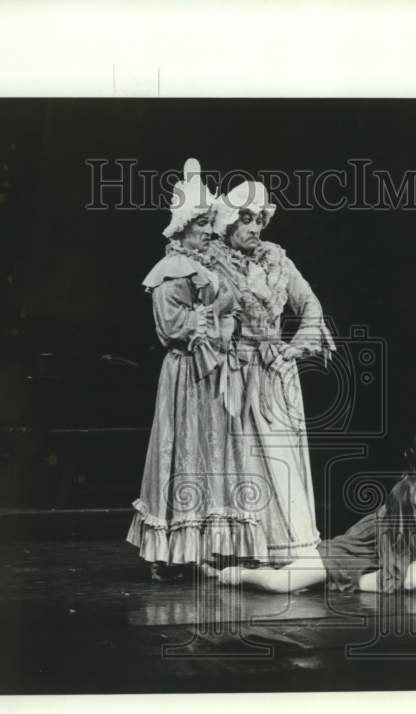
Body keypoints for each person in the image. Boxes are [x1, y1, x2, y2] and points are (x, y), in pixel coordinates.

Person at [126, 159, 270, 573]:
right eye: (203, 224)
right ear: (183, 228)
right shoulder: (173, 270)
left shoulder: (204, 266)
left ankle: (201, 549)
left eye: (210, 223)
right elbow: (172, 327)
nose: (210, 231)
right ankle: (172, 553)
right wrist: (214, 319)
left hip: (212, 371)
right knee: (184, 451)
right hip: (188, 372)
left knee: (211, 452)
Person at [218, 417, 416, 597]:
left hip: (413, 547)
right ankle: (237, 574)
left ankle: (334, 582)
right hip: (372, 542)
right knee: (280, 584)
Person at [204, 180, 336, 566]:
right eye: (246, 219)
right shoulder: (210, 262)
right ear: (228, 222)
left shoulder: (277, 260)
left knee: (280, 462)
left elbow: (310, 304)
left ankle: (283, 546)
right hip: (234, 372)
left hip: (275, 374)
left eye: (260, 220)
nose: (255, 227)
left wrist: (293, 349)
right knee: (237, 460)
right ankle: (236, 549)